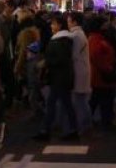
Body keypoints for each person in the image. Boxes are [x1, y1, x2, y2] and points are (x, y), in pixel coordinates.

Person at [34, 13, 78, 141]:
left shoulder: (60, 41)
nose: (51, 26)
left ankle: (47, 130)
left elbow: (60, 59)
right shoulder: (64, 39)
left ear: (59, 25)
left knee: (55, 104)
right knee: (62, 104)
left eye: (53, 24)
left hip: (59, 78)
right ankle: (63, 129)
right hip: (62, 77)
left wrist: (46, 62)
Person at [65, 12, 92, 135]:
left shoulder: (75, 36)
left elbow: (73, 55)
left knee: (80, 100)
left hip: (79, 70)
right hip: (83, 69)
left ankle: (83, 125)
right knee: (81, 99)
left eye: (69, 21)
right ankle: (85, 124)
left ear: (75, 22)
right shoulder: (80, 34)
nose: (68, 23)